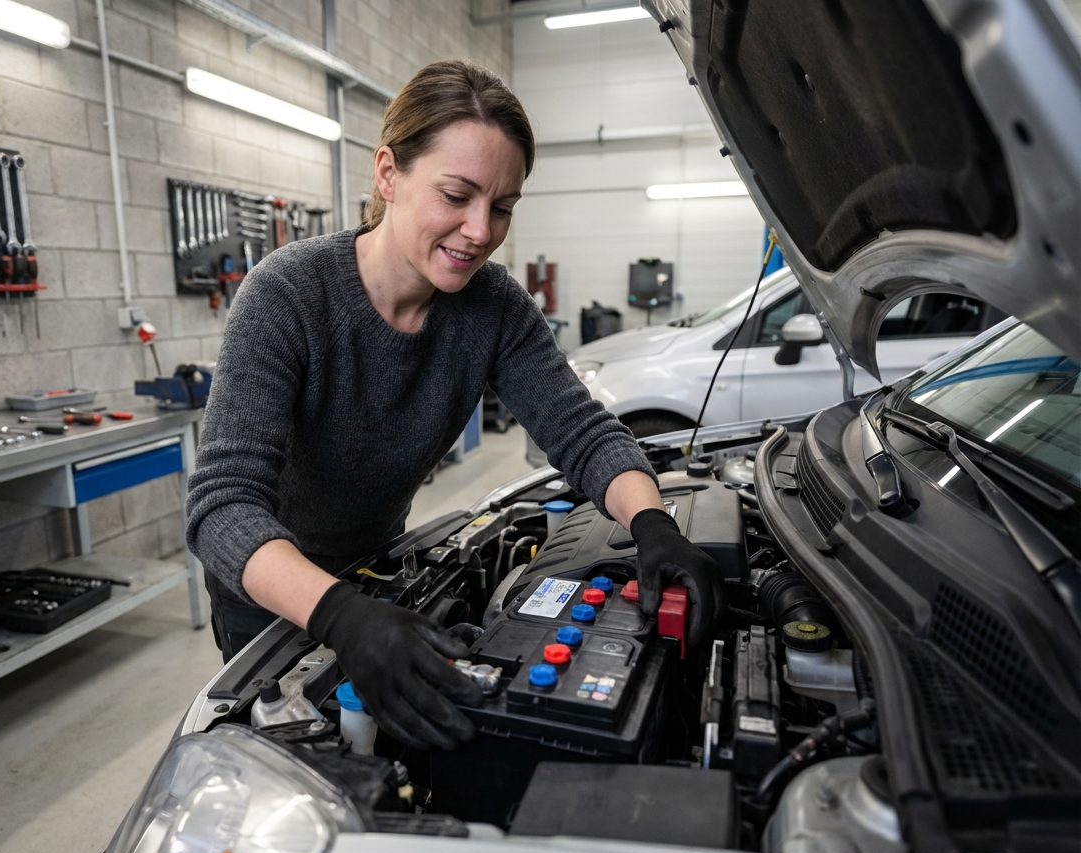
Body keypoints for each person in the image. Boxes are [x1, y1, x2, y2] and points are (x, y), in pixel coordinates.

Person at [185, 60, 725, 752]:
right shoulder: (288, 295)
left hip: (380, 568)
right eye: (457, 195)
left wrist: (652, 524)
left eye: (502, 206)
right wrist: (340, 615)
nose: (479, 230)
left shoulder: (492, 307)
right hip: (270, 592)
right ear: (388, 174)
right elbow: (223, 507)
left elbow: (582, 431)